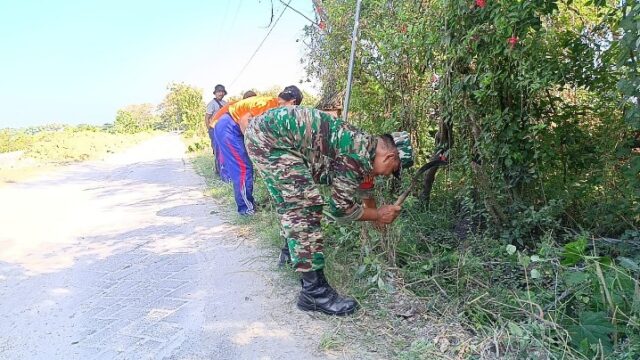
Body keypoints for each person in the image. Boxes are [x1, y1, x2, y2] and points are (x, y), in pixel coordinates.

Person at [245, 106, 414, 316]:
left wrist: (373, 211)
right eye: (394, 170)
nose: (389, 176)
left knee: (294, 200)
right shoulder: (357, 153)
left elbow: (362, 180)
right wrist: (378, 214)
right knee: (304, 208)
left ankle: (291, 253)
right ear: (390, 157)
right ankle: (314, 293)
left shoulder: (364, 145)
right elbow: (340, 210)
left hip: (268, 135)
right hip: (272, 140)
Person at [213, 86, 303, 215]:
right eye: (294, 108)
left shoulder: (276, 107)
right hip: (229, 127)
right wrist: (252, 147)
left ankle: (249, 202)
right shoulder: (268, 104)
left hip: (232, 127)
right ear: (293, 102)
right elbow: (244, 121)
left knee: (246, 166)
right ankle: (246, 209)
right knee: (243, 168)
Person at [209, 90, 257, 182]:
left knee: (227, 151)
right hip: (217, 127)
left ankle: (223, 174)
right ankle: (226, 178)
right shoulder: (242, 106)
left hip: (221, 126)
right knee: (223, 152)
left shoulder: (241, 105)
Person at [205, 84, 228, 177]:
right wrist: (209, 129)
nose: (220, 93)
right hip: (214, 129)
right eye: (219, 91)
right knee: (217, 150)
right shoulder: (212, 104)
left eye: (222, 91)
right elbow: (207, 118)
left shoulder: (225, 103)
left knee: (225, 150)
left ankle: (224, 169)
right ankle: (218, 171)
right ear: (215, 93)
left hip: (224, 130)